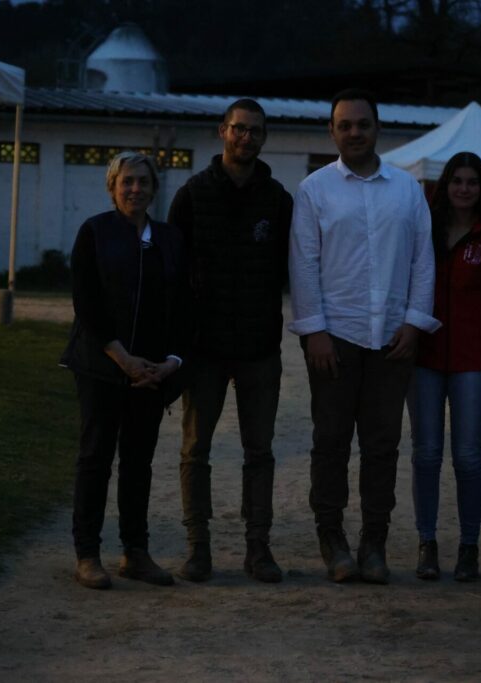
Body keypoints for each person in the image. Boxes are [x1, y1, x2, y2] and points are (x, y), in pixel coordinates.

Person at [289, 88, 439, 584]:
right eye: (344, 125)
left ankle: (373, 542)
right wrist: (314, 331)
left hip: (392, 339)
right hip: (336, 336)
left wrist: (416, 322)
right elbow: (304, 264)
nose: (354, 132)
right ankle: (332, 539)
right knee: (330, 441)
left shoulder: (406, 189)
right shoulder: (315, 189)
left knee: (381, 445)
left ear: (378, 128)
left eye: (363, 124)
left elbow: (423, 260)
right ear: (332, 132)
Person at [167, 99, 293, 584]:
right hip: (205, 350)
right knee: (195, 449)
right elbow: (173, 278)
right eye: (239, 129)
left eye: (256, 131)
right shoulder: (193, 195)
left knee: (258, 451)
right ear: (222, 131)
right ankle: (199, 549)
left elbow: (292, 269)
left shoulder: (279, 199)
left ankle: (258, 550)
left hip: (260, 347)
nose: (247, 138)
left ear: (264, 137)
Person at [61, 151, 190, 589]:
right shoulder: (95, 232)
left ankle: (136, 552)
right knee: (96, 457)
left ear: (155, 188)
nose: (135, 188)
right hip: (101, 367)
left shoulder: (171, 239)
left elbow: (182, 308)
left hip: (151, 374)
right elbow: (87, 302)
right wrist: (122, 358)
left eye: (143, 181)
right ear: (112, 186)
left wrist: (170, 362)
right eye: (127, 181)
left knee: (139, 462)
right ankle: (87, 555)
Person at [408, 152, 481, 582]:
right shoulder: (424, 230)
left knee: (468, 457)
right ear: (444, 186)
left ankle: (469, 547)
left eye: (472, 182)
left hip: (474, 360)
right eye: (457, 181)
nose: (464, 189)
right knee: (426, 454)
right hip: (424, 357)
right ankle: (427, 543)